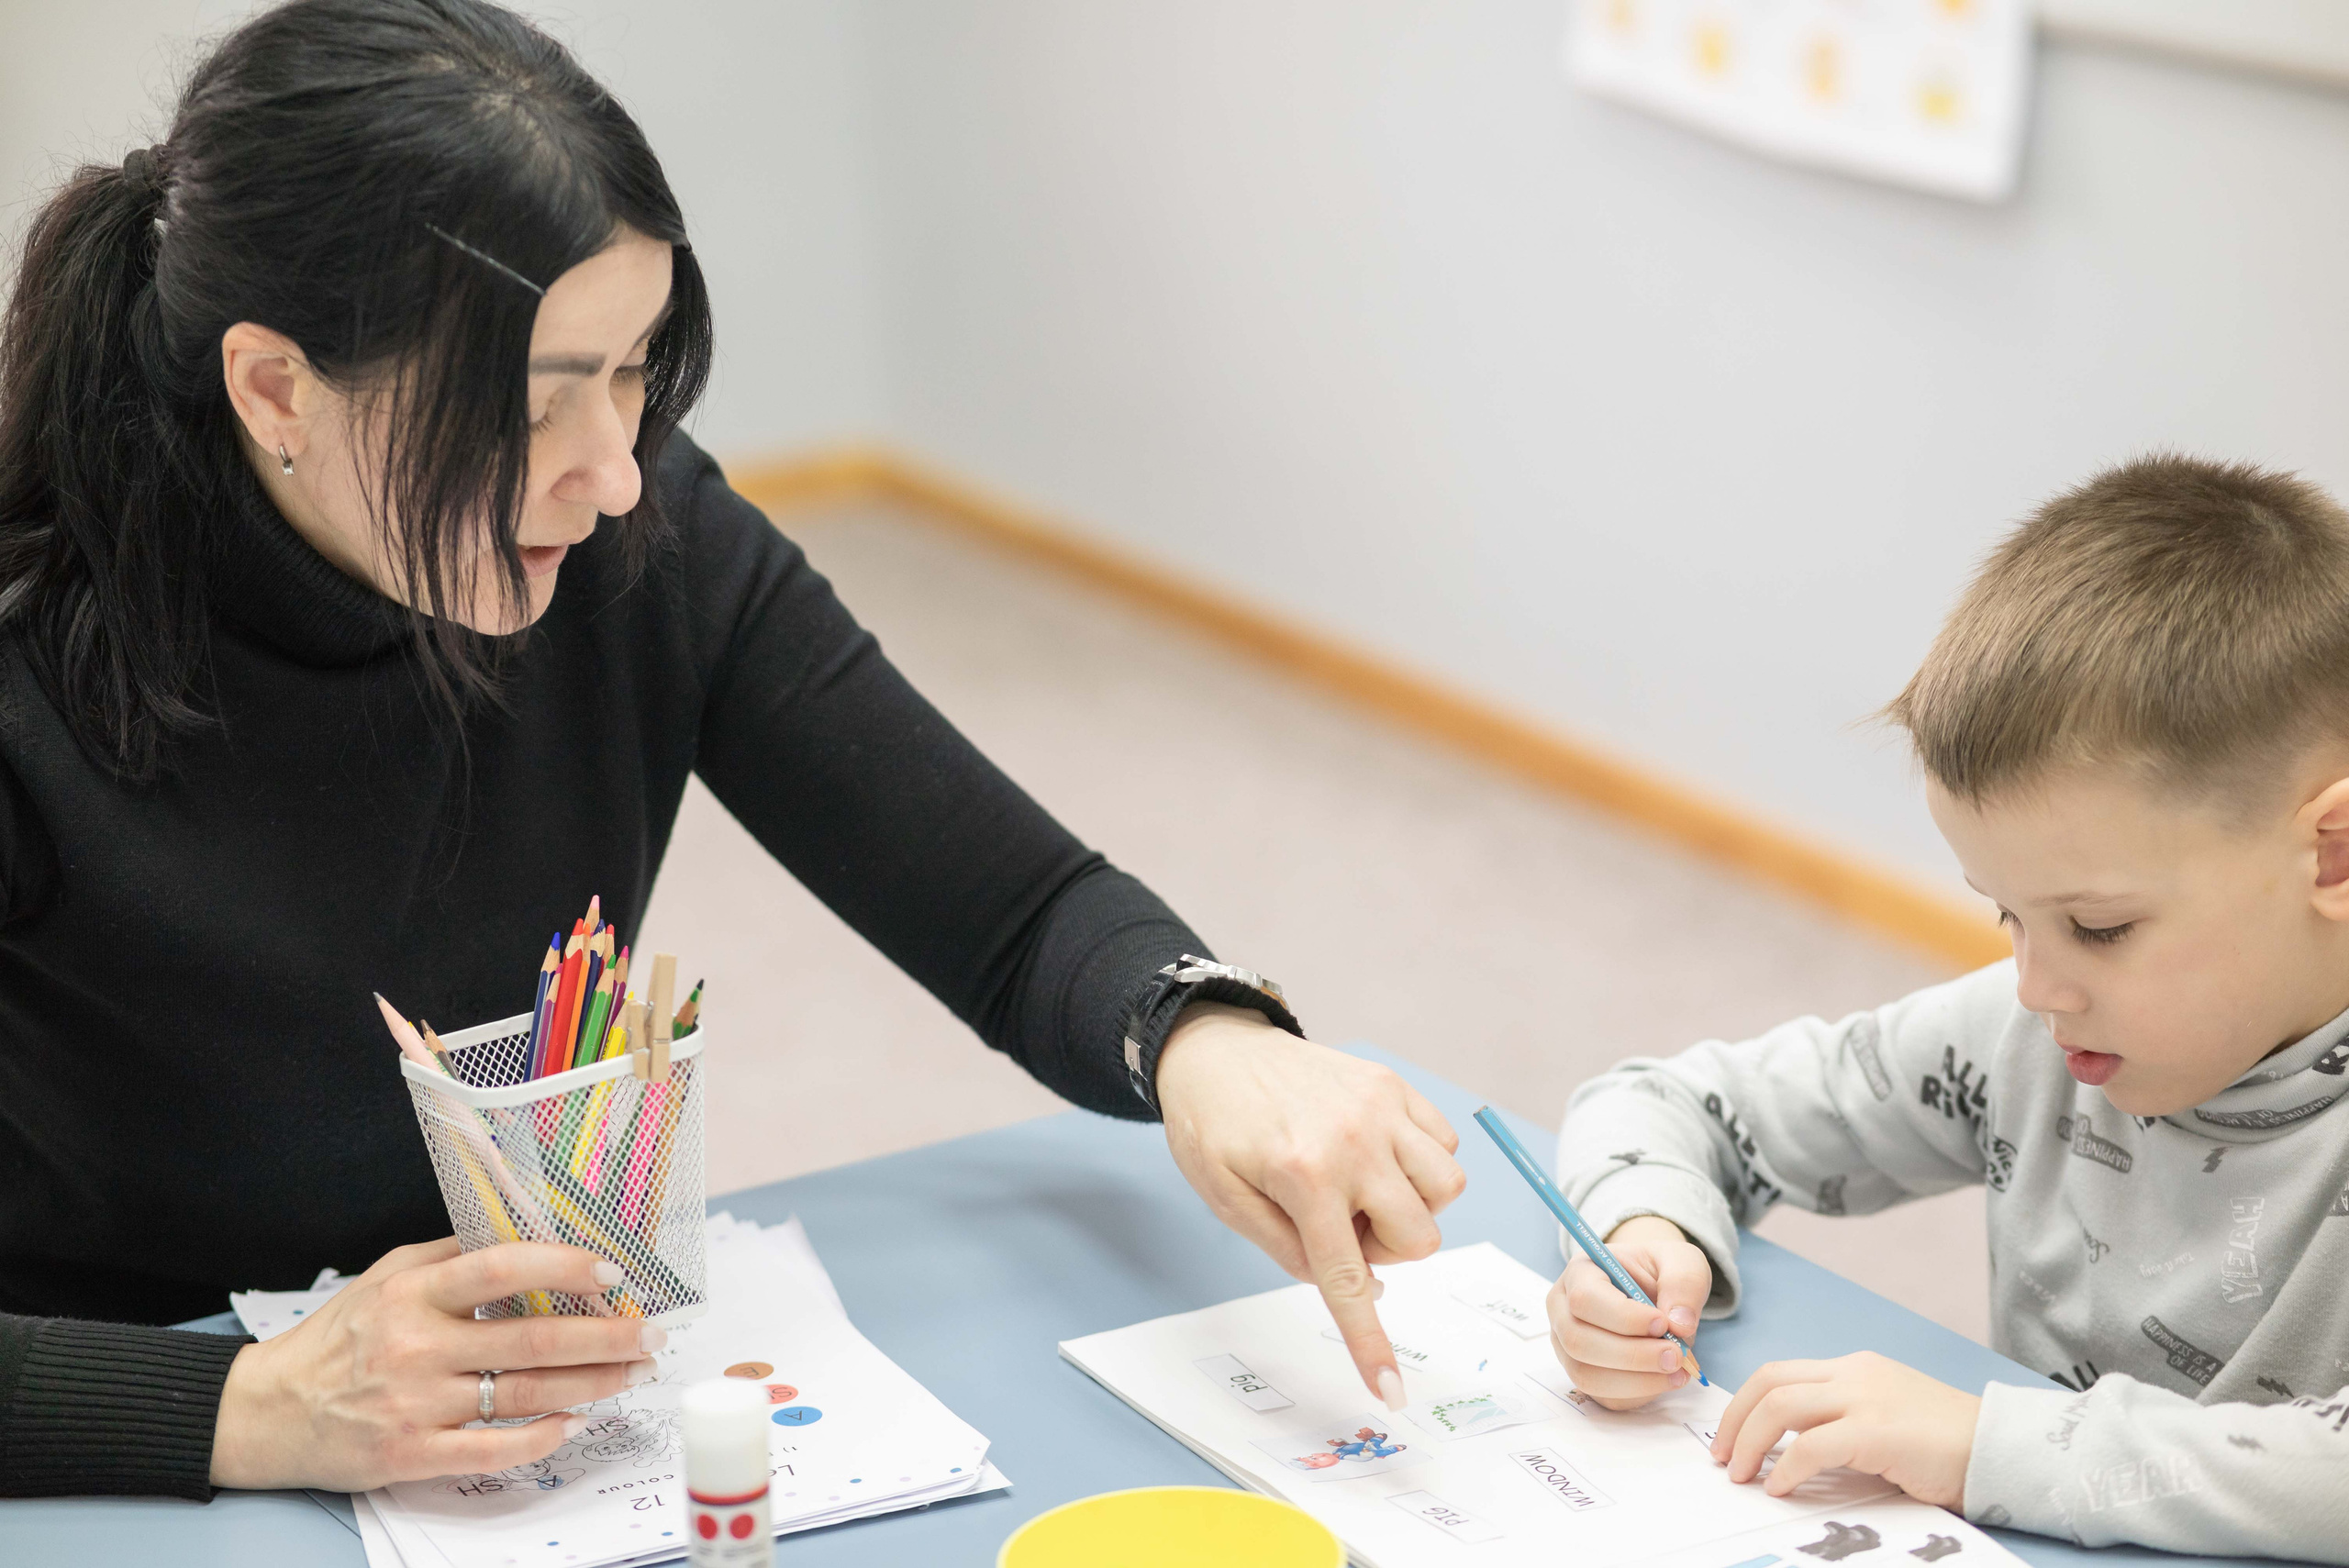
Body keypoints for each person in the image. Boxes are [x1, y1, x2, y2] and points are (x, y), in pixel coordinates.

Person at [0, 0, 1464, 1499]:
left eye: (633, 369)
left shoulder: (630, 541)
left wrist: (1205, 1039)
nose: (616, 468)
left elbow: (1011, 911)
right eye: (530, 399)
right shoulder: (28, 668)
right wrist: (242, 1400)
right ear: (274, 387)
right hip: (128, 1472)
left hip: (510, 1452)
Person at [1548, 457, 2349, 1562]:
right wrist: (1641, 1233)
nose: (2034, 985)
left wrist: (1987, 1444)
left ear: (2333, 850)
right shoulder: (2032, 1033)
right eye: (2005, 916)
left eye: (2099, 927)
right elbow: (1665, 1101)